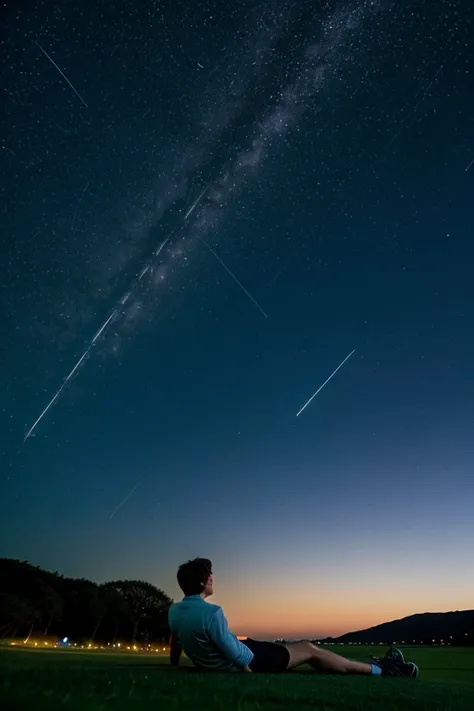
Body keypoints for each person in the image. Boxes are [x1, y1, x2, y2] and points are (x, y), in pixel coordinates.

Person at [168, 558, 419, 677]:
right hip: (251, 659)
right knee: (310, 649)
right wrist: (246, 669)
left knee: (299, 648)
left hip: (243, 651)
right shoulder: (212, 612)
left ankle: (376, 665)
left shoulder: (175, 611)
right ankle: (384, 671)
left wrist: (174, 663)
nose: (213, 577)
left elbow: (176, 641)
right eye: (209, 574)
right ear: (202, 581)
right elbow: (231, 649)